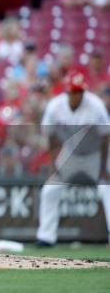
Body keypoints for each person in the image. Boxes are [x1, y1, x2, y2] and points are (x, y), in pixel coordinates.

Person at [36, 71, 110, 246]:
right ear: (67, 92)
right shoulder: (55, 106)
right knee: (50, 190)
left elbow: (106, 137)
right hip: (69, 153)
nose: (77, 95)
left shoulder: (96, 105)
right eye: (73, 91)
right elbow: (50, 136)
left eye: (79, 92)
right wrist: (53, 164)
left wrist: (103, 168)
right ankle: (46, 237)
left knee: (108, 189)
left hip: (95, 154)